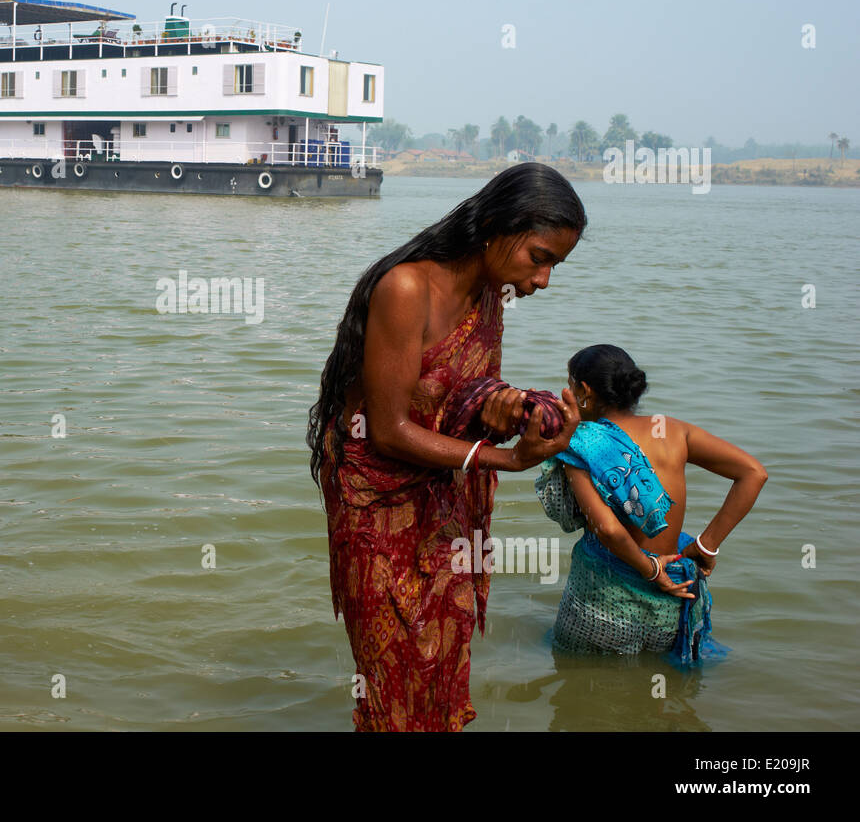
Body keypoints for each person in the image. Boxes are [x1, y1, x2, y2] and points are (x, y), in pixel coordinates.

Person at [307, 163, 586, 731]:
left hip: (443, 503)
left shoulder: (489, 297)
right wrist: (506, 458)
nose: (544, 280)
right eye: (540, 258)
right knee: (391, 675)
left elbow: (466, 397)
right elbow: (388, 430)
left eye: (556, 265)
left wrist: (520, 411)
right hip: (377, 510)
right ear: (493, 226)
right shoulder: (407, 288)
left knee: (440, 656)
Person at [537, 344, 767, 663]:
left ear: (584, 390)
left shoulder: (581, 442)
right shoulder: (673, 430)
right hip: (672, 598)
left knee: (583, 686)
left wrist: (651, 570)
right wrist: (707, 545)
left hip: (604, 599)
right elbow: (753, 473)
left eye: (570, 383)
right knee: (656, 693)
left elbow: (608, 530)